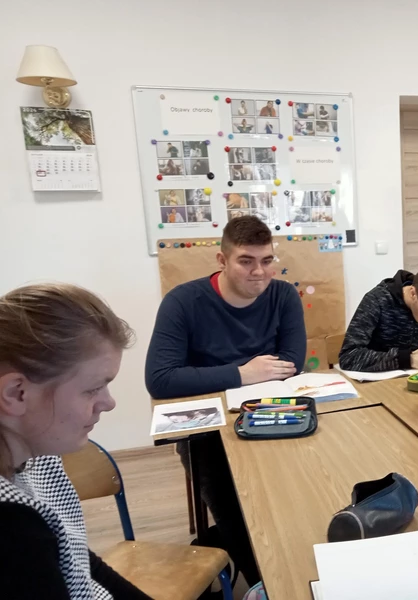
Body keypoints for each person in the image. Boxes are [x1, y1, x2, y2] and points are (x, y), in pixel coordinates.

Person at [145, 216, 306, 586]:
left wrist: (221, 376)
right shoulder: (183, 302)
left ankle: (301, 567)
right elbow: (160, 379)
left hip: (270, 409)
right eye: (246, 261)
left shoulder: (283, 296)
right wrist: (242, 373)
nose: (259, 272)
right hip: (208, 427)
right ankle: (265, 584)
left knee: (303, 484)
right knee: (232, 501)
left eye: (267, 261)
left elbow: (291, 363)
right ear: (222, 260)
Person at [0, 283, 150, 599]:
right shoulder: (12, 530)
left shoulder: (37, 455)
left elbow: (77, 558)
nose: (108, 403)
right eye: (93, 389)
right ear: (17, 394)